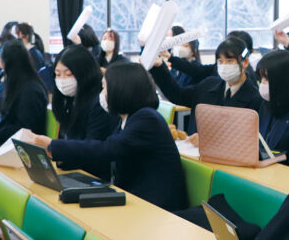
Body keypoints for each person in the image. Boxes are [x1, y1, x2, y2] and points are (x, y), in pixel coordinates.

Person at [25, 62, 187, 212]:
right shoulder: (127, 118)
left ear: (121, 89)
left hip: (157, 207)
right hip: (135, 199)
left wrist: (53, 144)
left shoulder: (147, 119)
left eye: (104, 88)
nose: (101, 95)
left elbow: (106, 149)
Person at [149, 36, 262, 134]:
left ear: (245, 62)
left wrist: (207, 140)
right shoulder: (208, 85)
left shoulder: (255, 98)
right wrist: (159, 68)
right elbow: (178, 95)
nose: (224, 66)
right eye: (220, 61)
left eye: (230, 61)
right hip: (193, 154)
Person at [51, 46, 120, 178]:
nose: (62, 80)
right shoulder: (71, 100)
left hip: (96, 176)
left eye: (69, 74)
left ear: (84, 72)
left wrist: (56, 149)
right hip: (76, 171)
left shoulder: (99, 103)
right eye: (58, 74)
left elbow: (94, 150)